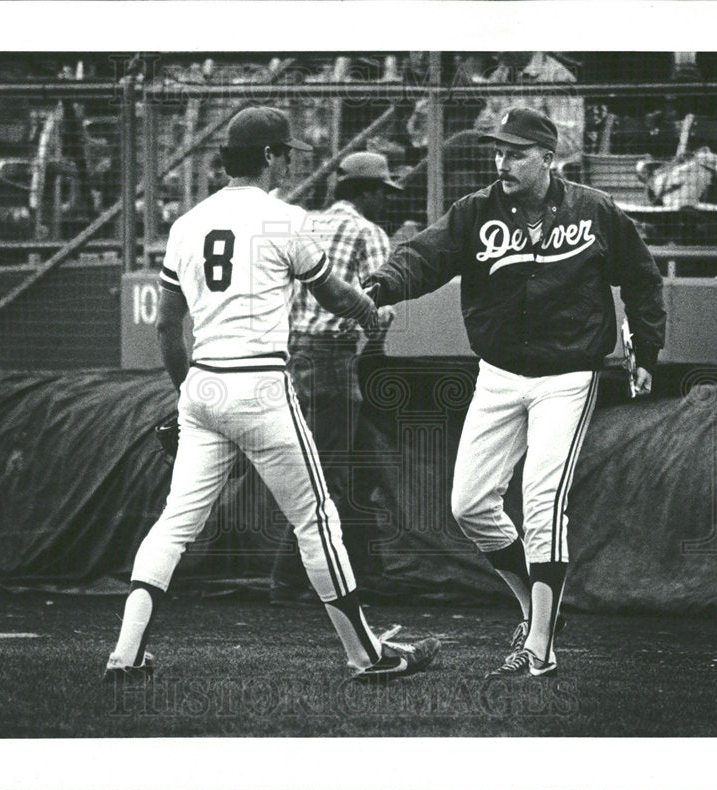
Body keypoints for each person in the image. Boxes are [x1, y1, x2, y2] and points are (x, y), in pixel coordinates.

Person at [104, 107, 440, 683]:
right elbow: (335, 296)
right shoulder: (284, 219)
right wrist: (371, 311)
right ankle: (368, 656)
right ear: (266, 156)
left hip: (204, 380)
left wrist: (189, 397)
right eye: (285, 153)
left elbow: (166, 327)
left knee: (174, 523)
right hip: (260, 381)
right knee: (318, 518)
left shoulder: (187, 223)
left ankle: (126, 652)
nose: (289, 162)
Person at [363, 107, 665, 677]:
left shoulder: (593, 210)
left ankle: (541, 648)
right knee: (470, 504)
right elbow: (423, 257)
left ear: (548, 158)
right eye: (498, 151)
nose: (501, 161)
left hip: (568, 376)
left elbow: (642, 277)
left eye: (515, 152)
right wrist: (381, 286)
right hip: (498, 374)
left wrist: (645, 351)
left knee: (543, 502)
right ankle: (533, 609)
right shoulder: (476, 211)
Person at [269, 152, 402, 605]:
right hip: (333, 358)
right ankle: (288, 581)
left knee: (336, 467)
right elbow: (380, 309)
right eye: (381, 193)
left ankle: (366, 574)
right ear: (366, 192)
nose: (384, 202)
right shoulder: (368, 232)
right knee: (327, 475)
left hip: (292, 355)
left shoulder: (305, 223)